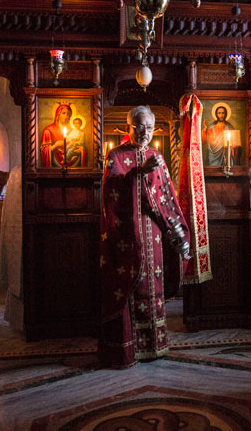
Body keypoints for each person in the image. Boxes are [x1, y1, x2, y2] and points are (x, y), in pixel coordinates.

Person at [99, 106, 190, 368]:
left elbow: (166, 195)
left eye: (150, 127)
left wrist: (177, 230)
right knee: (132, 285)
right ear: (129, 127)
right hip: (128, 235)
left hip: (155, 235)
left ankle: (156, 345)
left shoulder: (157, 156)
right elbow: (111, 193)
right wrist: (139, 173)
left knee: (154, 286)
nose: (145, 132)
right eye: (140, 126)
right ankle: (131, 348)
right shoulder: (115, 156)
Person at [40, 102, 72, 167]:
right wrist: (55, 146)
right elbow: (44, 151)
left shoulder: (73, 131)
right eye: (63, 113)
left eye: (68, 114)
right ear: (58, 114)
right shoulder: (48, 130)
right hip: (55, 162)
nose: (66, 116)